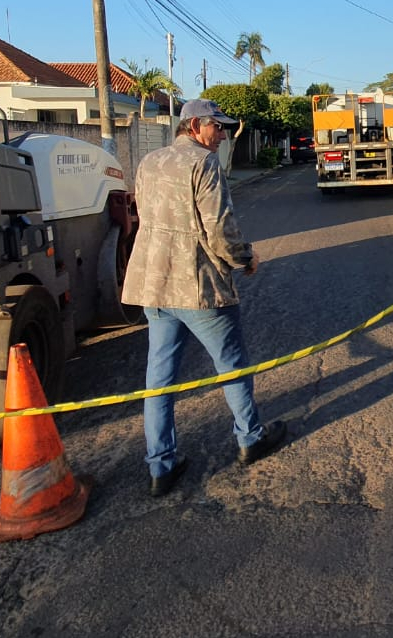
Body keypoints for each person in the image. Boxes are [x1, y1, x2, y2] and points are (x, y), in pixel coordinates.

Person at [121, 98, 287, 497]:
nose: (223, 135)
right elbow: (219, 228)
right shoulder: (204, 163)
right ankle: (250, 439)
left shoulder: (149, 162)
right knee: (232, 365)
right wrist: (245, 258)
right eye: (218, 126)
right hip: (197, 286)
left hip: (154, 285)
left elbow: (144, 216)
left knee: (159, 378)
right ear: (194, 125)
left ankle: (160, 465)